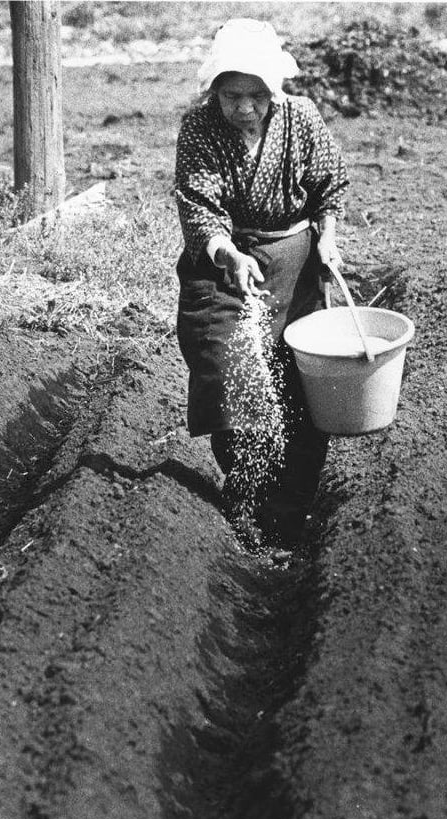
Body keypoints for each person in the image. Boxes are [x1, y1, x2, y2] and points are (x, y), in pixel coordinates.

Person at [173, 17, 349, 549]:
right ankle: (247, 490)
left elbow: (330, 184)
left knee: (298, 384)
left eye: (255, 95)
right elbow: (198, 203)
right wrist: (227, 253)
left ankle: (289, 511)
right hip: (224, 260)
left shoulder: (302, 119)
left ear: (274, 90)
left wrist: (327, 237)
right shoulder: (200, 127)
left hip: (295, 260)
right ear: (215, 92)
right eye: (231, 96)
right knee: (228, 371)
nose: (244, 107)